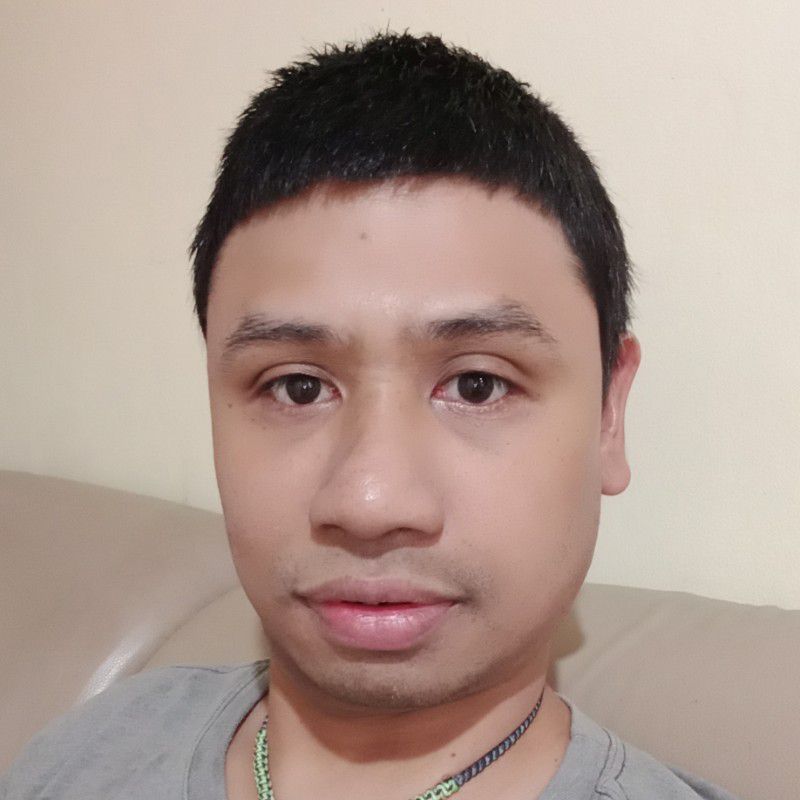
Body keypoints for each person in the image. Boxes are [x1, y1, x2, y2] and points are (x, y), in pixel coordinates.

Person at [1, 31, 739, 800]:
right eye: (297, 388)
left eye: (478, 385)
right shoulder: (88, 749)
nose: (370, 503)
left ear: (609, 416)